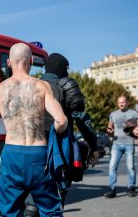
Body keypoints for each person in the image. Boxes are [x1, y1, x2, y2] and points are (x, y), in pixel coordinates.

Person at [0, 43, 68, 216]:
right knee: (51, 210)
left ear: (9, 62)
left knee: (9, 211)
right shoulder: (42, 86)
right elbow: (61, 121)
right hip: (39, 154)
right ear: (31, 61)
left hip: (12, 155)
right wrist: (55, 136)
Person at [24, 53, 99, 216]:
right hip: (60, 148)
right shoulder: (67, 85)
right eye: (66, 68)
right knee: (56, 196)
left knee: (32, 196)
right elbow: (82, 120)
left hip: (29, 147)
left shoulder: (31, 85)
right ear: (62, 68)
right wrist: (94, 147)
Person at [104, 95, 138, 198]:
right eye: (119, 103)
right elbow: (110, 127)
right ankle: (112, 190)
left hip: (129, 143)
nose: (121, 104)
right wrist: (109, 130)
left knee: (131, 167)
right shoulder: (113, 114)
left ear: (127, 102)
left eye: (123, 102)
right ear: (117, 104)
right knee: (112, 167)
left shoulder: (134, 113)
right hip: (116, 144)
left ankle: (131, 188)